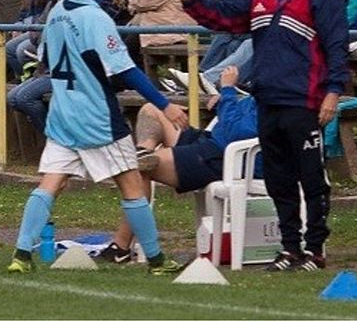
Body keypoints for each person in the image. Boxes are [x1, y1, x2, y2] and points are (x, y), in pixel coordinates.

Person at [177, 0, 348, 272]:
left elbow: (337, 48)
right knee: (277, 179)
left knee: (311, 179)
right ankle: (289, 248)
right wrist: (192, 2)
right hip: (266, 99)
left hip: (304, 101)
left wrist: (333, 92)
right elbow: (226, 17)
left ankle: (315, 249)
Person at [6, 0, 187, 275]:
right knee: (131, 184)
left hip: (62, 113)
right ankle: (157, 260)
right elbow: (126, 70)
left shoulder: (58, 11)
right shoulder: (95, 17)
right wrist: (165, 105)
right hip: (96, 116)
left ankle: (21, 255)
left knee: (50, 183)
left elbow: (45, 58)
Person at [97, 66, 258, 263]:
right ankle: (143, 151)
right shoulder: (267, 89)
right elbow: (242, 119)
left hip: (225, 157)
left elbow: (238, 133)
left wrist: (228, 92)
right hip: (210, 141)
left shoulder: (278, 99)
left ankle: (120, 248)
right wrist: (225, 101)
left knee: (142, 168)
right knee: (152, 110)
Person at [7, 0, 74, 133]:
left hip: (66, 71)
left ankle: (56, 137)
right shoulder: (53, 3)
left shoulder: (78, 5)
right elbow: (35, 34)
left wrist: (49, 35)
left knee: (24, 98)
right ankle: (53, 134)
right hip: (47, 67)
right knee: (12, 98)